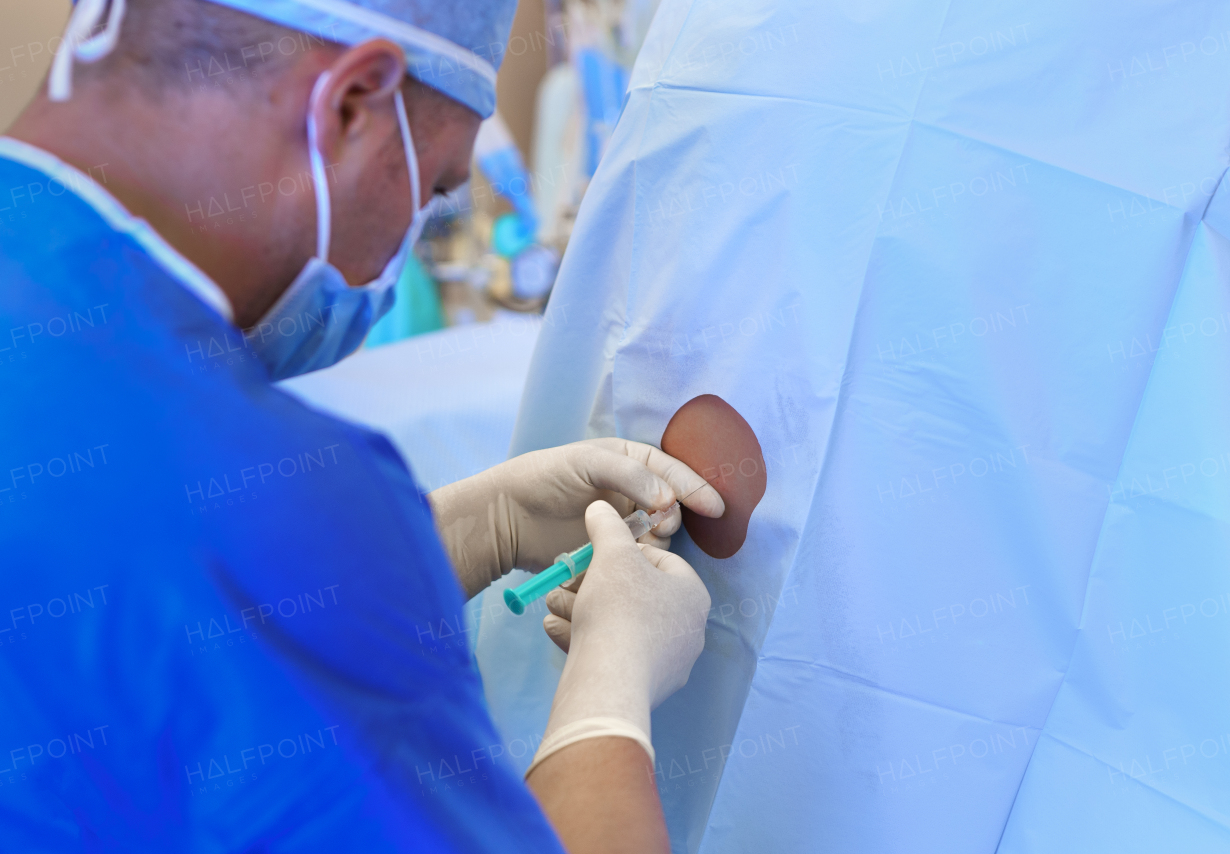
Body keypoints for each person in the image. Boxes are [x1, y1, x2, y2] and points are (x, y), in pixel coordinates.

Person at [0, 1, 725, 851]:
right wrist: (611, 690)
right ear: (351, 103)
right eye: (437, 193)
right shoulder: (266, 500)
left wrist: (462, 530)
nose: (406, 244)